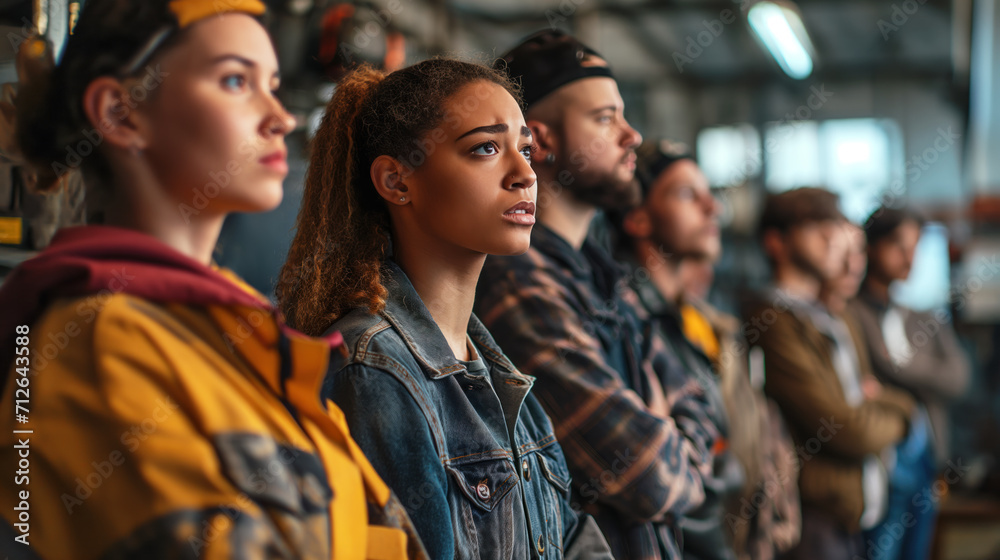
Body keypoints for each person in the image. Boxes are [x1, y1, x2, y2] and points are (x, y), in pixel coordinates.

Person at [0, 2, 425, 558]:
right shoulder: (101, 348)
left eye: (272, 83)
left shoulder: (227, 331)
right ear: (121, 113)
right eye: (234, 80)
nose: (280, 116)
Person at [276, 59, 613, 560]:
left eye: (525, 149)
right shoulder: (375, 369)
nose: (524, 174)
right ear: (396, 181)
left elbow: (574, 540)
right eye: (486, 148)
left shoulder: (499, 374)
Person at [474, 31, 718, 559]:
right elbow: (646, 473)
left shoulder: (604, 277)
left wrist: (674, 437)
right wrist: (667, 430)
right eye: (606, 119)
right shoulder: (517, 278)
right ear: (541, 140)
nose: (632, 135)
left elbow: (701, 406)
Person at [615, 141, 800, 560]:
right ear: (638, 218)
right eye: (686, 194)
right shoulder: (629, 325)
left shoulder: (700, 322)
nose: (712, 209)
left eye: (708, 194)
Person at [745, 188, 914, 560]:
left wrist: (882, 405)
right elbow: (844, 428)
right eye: (813, 225)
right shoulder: (771, 320)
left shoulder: (829, 317)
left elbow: (869, 398)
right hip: (811, 518)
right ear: (775, 242)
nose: (830, 236)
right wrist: (905, 412)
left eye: (831, 224)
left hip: (853, 512)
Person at [847, 207, 969, 560]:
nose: (909, 257)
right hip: (881, 462)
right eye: (898, 245)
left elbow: (958, 379)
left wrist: (899, 366)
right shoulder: (853, 314)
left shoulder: (921, 317)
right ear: (872, 247)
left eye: (915, 247)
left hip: (928, 459)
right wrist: (917, 373)